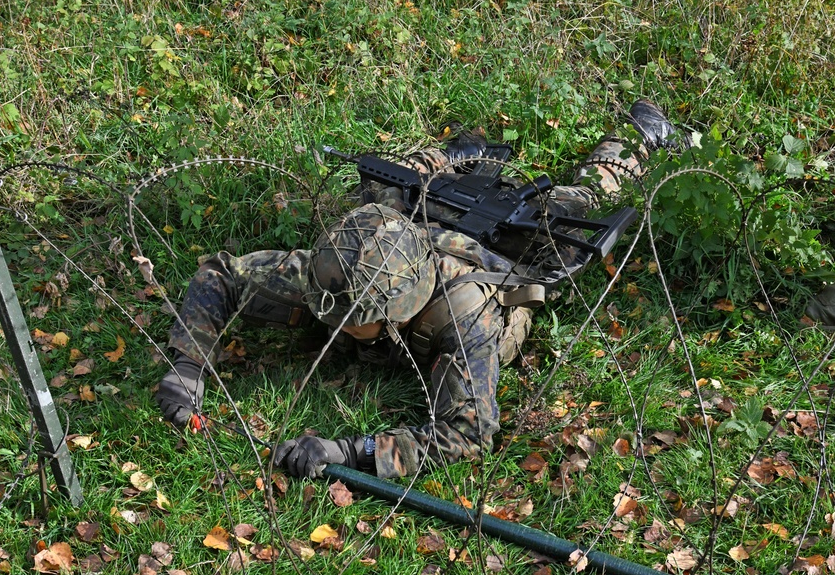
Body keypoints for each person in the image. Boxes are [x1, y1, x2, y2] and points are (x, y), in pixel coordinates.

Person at [155, 100, 678, 479]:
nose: (325, 314)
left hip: (500, 247)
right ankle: (459, 154)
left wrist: (349, 450)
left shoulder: (465, 313)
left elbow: (469, 433)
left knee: (570, 207)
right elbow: (220, 274)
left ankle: (635, 140)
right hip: (423, 223)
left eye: (348, 319)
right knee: (390, 182)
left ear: (395, 315)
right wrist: (187, 365)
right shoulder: (339, 273)